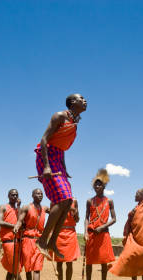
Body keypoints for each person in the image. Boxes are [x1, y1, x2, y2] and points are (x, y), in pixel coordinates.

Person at [34, 94, 87, 259]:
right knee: (61, 198)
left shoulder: (74, 123)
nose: (85, 100)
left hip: (58, 159)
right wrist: (47, 166)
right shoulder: (59, 116)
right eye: (81, 98)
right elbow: (44, 140)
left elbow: (61, 147)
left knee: (69, 200)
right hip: (47, 158)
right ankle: (42, 241)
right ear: (72, 102)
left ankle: (51, 242)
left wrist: (64, 168)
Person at [109, 188, 143, 280]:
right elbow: (134, 221)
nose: (135, 195)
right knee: (132, 259)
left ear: (142, 196)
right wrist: (131, 214)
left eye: (137, 194)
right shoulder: (136, 208)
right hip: (133, 239)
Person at [84, 170, 116, 280]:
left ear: (104, 186)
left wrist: (102, 227)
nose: (97, 186)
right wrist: (86, 232)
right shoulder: (89, 201)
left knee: (104, 262)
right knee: (89, 262)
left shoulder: (109, 201)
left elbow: (114, 219)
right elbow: (86, 218)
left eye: (100, 184)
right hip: (91, 234)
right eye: (95, 185)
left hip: (103, 235)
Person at [14, 188, 49, 280]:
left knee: (37, 267)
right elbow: (20, 220)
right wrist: (16, 226)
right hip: (27, 240)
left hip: (40, 241)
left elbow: (54, 210)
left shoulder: (44, 208)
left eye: (41, 194)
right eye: (37, 193)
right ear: (32, 195)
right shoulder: (26, 207)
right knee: (28, 267)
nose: (40, 195)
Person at [0, 189, 30, 280]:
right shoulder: (3, 207)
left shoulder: (18, 210)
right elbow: (0, 222)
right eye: (12, 194)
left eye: (16, 194)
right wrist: (16, 226)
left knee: (11, 269)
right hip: (9, 242)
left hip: (18, 241)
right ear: (8, 196)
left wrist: (19, 207)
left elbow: (23, 222)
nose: (14, 196)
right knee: (15, 268)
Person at [50, 199, 80, 280]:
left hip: (70, 233)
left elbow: (77, 219)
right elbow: (52, 218)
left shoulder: (74, 201)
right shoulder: (54, 201)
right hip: (58, 233)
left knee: (69, 262)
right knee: (59, 262)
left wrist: (75, 212)